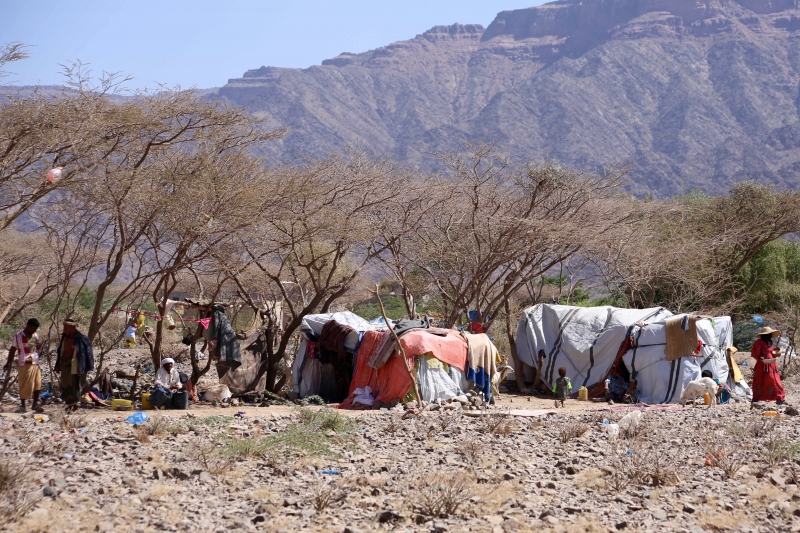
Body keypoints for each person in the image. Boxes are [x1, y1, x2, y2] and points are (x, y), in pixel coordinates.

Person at [55, 318, 95, 413]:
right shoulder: (64, 337)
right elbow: (61, 351)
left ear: (73, 327)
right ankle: (69, 404)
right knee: (65, 384)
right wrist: (58, 364)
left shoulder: (81, 338)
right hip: (64, 363)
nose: (65, 329)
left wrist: (82, 367)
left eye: (66, 327)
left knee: (74, 384)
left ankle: (76, 405)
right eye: (64, 327)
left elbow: (87, 354)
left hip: (75, 364)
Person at [4, 318, 43, 413]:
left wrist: (38, 347)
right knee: (24, 384)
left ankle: (35, 404)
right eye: (34, 328)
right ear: (29, 326)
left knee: (37, 384)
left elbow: (35, 348)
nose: (35, 330)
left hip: (35, 362)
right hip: (24, 363)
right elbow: (13, 350)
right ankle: (23, 406)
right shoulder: (18, 336)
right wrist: (8, 363)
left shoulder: (35, 335)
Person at [751, 326, 786, 405]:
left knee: (774, 380)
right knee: (761, 380)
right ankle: (757, 398)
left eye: (770, 334)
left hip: (772, 364)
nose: (770, 335)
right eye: (769, 334)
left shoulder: (769, 342)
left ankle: (779, 397)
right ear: (764, 335)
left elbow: (770, 352)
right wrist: (761, 357)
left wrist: (775, 353)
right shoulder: (759, 342)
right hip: (762, 364)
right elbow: (756, 353)